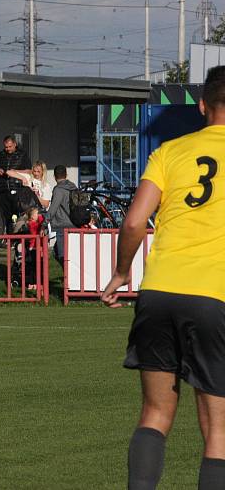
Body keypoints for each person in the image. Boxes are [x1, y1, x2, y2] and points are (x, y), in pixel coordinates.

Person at [101, 65, 225, 490]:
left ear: (203, 106)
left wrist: (121, 273)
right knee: (219, 435)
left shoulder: (171, 152)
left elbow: (135, 222)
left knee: (155, 415)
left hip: (158, 292)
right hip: (216, 296)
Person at [0, 136, 32, 232]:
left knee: (17, 215)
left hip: (18, 189)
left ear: (15, 144)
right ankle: (9, 238)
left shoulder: (22, 155)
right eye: (6, 147)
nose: (8, 149)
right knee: (6, 216)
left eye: (10, 146)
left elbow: (29, 171)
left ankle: (17, 237)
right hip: (3, 190)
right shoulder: (0, 155)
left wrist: (14, 172)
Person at [46, 164, 76, 265]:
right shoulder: (73, 187)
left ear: (54, 176)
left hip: (62, 225)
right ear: (66, 175)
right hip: (75, 223)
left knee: (61, 254)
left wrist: (45, 222)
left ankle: (68, 278)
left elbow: (53, 208)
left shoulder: (58, 190)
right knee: (69, 253)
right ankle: (69, 277)